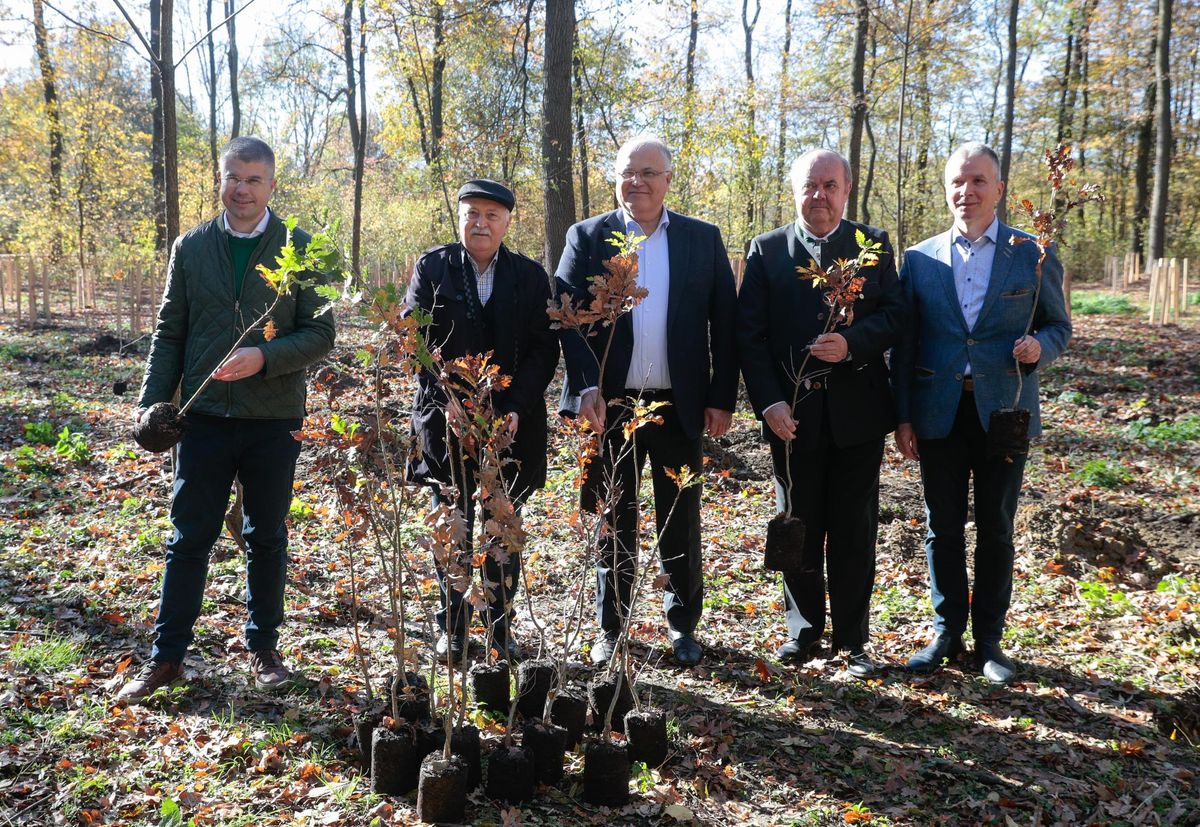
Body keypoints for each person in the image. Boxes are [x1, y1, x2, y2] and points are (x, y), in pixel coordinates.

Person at [118, 137, 336, 702]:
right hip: (205, 417)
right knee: (188, 537)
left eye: (254, 180)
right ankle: (166, 657)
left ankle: (263, 646)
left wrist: (263, 357)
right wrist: (150, 404)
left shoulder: (303, 248)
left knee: (267, 536)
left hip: (273, 417)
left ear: (271, 185)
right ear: (221, 179)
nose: (241, 189)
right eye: (233, 177)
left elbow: (322, 334)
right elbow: (170, 333)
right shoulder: (191, 248)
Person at [893, 142, 1071, 685]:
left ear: (998, 188)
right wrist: (903, 417)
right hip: (938, 412)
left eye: (977, 181)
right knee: (940, 526)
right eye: (956, 182)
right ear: (945, 189)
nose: (965, 192)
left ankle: (989, 641)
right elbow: (905, 344)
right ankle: (946, 631)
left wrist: (1041, 347)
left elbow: (1058, 326)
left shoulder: (1032, 252)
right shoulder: (920, 258)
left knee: (996, 527)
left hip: (1005, 412)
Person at [555, 135, 738, 667]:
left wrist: (721, 396)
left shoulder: (701, 240)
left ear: (668, 180)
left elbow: (725, 325)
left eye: (648, 173)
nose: (636, 182)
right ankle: (611, 627)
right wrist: (585, 386)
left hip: (679, 404)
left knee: (679, 515)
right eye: (627, 172)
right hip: (609, 406)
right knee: (615, 514)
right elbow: (564, 319)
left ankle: (682, 624)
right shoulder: (588, 237)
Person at [737, 149, 905, 678]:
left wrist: (853, 343)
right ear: (795, 191)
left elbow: (896, 317)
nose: (820, 196)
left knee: (855, 531)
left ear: (847, 189)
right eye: (810, 186)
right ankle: (803, 630)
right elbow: (749, 336)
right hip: (792, 416)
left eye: (830, 186)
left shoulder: (870, 246)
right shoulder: (766, 251)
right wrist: (769, 402)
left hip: (858, 415)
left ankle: (853, 640)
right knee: (797, 526)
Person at [406, 180, 559, 663]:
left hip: (511, 426)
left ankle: (499, 629)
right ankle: (451, 626)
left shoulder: (530, 277)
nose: (481, 223)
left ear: (508, 222)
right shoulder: (434, 267)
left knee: (502, 529)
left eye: (492, 215)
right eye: (472, 213)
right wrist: (445, 396)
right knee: (453, 527)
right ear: (460, 216)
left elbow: (542, 349)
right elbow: (414, 339)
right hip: (445, 422)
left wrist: (515, 406)